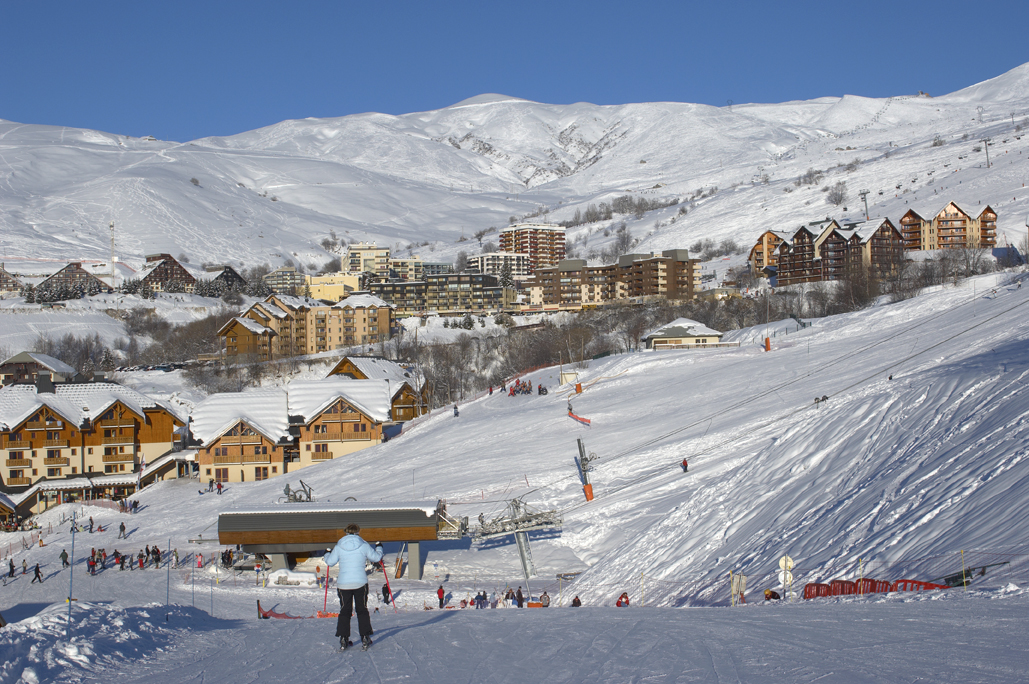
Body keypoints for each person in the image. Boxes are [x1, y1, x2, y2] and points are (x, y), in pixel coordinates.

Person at [324, 523, 383, 651]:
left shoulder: (339, 546)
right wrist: (379, 547)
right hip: (360, 583)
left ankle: (343, 639)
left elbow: (330, 562)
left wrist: (327, 553)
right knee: (361, 609)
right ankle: (365, 637)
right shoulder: (363, 545)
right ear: (358, 532)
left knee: (345, 610)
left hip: (343, 584)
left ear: (345, 532)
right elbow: (377, 557)